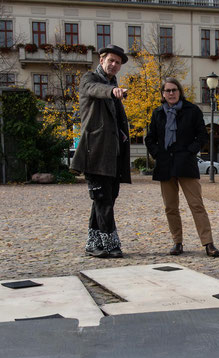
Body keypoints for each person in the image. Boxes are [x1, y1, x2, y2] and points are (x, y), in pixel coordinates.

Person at [145, 77, 219, 257]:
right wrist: (158, 153)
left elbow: (202, 136)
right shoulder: (158, 113)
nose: (171, 93)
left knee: (196, 205)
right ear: (163, 94)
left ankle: (208, 243)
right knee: (170, 207)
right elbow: (150, 139)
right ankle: (177, 242)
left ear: (179, 91)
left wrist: (190, 151)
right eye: (167, 91)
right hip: (165, 165)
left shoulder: (192, 110)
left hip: (186, 163)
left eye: (174, 90)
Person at [71, 44, 130, 258]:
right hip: (94, 152)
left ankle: (93, 244)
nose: (114, 65)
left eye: (118, 62)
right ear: (101, 59)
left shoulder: (112, 83)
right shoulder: (90, 79)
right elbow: (96, 90)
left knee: (104, 199)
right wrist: (112, 92)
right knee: (103, 200)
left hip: (112, 155)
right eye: (111, 60)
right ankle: (111, 244)